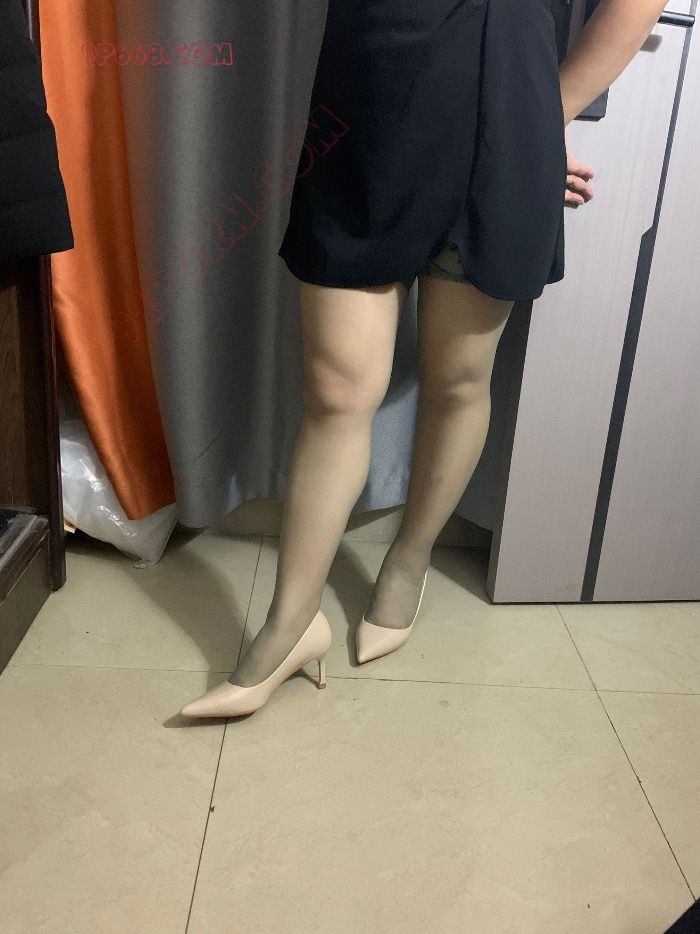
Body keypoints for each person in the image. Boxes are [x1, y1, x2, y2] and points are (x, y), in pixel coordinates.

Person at [180, 0, 669, 719]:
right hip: (368, 108)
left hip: (504, 113)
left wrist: (545, 114)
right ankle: (292, 622)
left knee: (458, 379)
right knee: (337, 390)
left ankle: (409, 561)